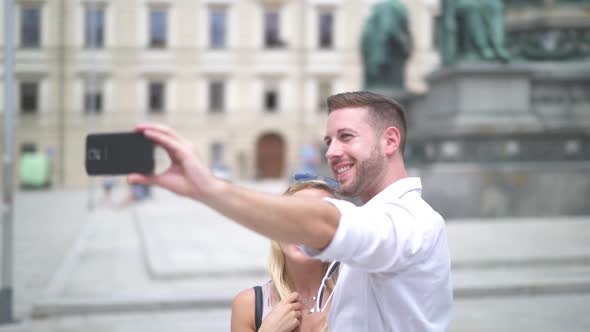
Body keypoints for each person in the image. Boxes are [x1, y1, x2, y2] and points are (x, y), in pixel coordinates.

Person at [128, 90, 452, 331]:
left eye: (346, 137)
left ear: (390, 141)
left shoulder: (410, 221)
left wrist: (210, 189)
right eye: (328, 140)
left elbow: (325, 224)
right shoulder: (386, 218)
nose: (332, 152)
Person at [231, 177, 339, 332]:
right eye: (292, 218)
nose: (302, 229)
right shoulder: (248, 305)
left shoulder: (358, 299)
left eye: (316, 219)